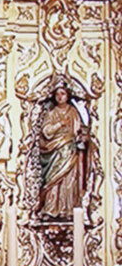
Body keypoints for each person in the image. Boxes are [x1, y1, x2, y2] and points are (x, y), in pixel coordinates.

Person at [38, 85, 90, 219]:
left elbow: (79, 130)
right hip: (55, 151)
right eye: (58, 94)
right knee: (53, 180)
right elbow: (46, 132)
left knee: (69, 180)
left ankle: (68, 209)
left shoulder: (73, 112)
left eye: (63, 94)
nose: (60, 97)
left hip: (71, 151)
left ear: (68, 96)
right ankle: (51, 208)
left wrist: (81, 139)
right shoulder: (52, 113)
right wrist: (58, 125)